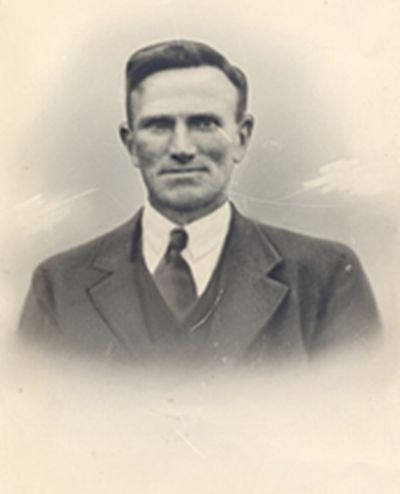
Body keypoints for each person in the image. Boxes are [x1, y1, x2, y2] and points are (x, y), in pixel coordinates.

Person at [18, 40, 382, 367]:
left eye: (205, 124)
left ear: (241, 138)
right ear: (131, 144)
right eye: (159, 125)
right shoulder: (59, 286)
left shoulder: (327, 277)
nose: (182, 148)